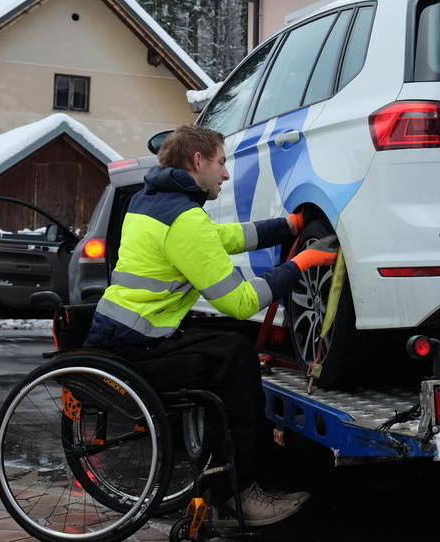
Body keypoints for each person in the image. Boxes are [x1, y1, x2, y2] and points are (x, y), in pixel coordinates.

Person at [84, 124, 337, 526]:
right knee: (235, 356)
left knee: (227, 349)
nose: (225, 174)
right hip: (139, 347)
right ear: (197, 161)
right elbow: (240, 302)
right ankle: (238, 496)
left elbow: (218, 237)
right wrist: (301, 264)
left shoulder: (151, 200)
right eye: (221, 163)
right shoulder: (184, 218)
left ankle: (230, 479)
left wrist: (286, 227)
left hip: (119, 337)